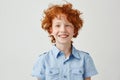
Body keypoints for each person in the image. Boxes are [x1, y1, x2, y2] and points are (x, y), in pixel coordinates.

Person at [32, 2, 98, 80]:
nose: (63, 30)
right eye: (58, 25)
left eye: (67, 25)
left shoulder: (85, 59)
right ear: (51, 30)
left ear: (75, 30)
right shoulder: (43, 60)